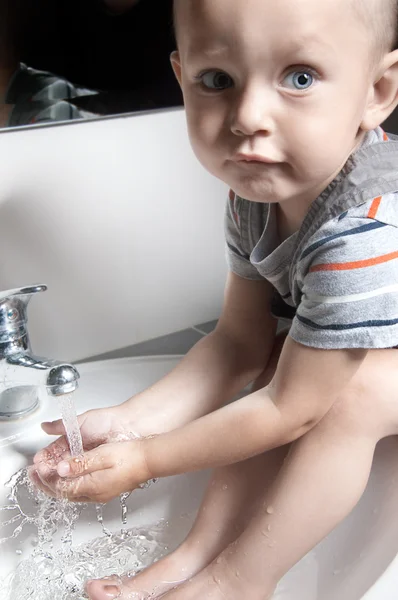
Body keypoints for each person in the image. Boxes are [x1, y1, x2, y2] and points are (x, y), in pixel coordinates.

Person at [31, 0, 398, 598]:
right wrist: (126, 426)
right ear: (183, 78)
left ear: (377, 90)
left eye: (299, 77)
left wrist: (148, 461)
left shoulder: (364, 228)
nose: (248, 117)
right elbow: (237, 344)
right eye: (218, 80)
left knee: (349, 394)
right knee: (284, 355)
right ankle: (190, 560)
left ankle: (241, 581)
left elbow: (292, 410)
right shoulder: (257, 191)